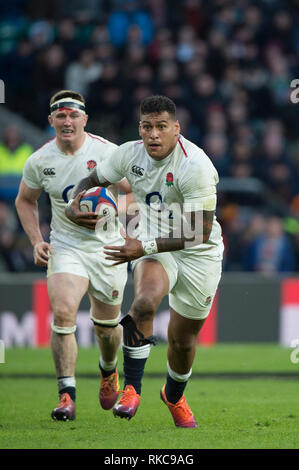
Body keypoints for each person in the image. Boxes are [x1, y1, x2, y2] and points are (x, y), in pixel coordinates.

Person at [66, 95, 224, 428]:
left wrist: (145, 244)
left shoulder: (195, 165)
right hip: (152, 244)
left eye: (161, 127)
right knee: (144, 302)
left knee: (183, 342)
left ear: (176, 129)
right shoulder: (128, 154)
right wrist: (73, 200)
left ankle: (174, 395)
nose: (153, 134)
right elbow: (92, 181)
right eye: (147, 127)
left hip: (198, 252)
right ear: (140, 127)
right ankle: (132, 389)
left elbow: (201, 230)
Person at [15, 89, 132, 421]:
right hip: (66, 248)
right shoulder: (40, 160)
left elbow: (134, 195)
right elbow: (25, 200)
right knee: (64, 314)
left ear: (84, 119)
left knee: (108, 329)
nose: (67, 121)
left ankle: (108, 371)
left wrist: (111, 210)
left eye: (73, 115)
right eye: (61, 116)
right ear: (51, 121)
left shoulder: (107, 152)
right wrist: (37, 240)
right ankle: (66, 395)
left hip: (107, 248)